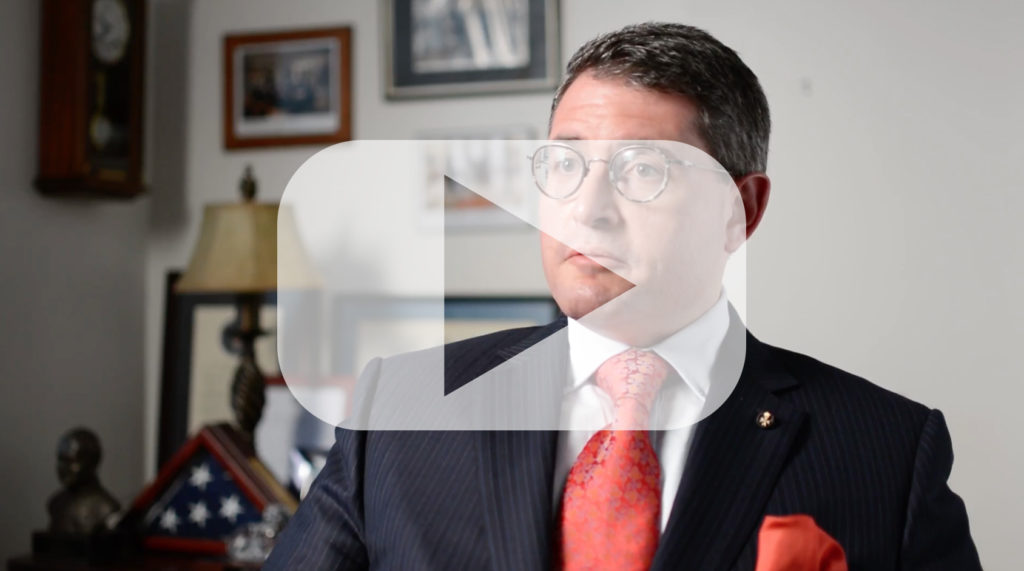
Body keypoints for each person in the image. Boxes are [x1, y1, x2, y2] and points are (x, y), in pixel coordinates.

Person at [265, 22, 980, 570]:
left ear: (742, 209)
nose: (587, 210)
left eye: (642, 171)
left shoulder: (888, 450)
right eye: (565, 165)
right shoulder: (400, 413)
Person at [47, 428, 121, 535]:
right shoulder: (56, 503)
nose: (63, 467)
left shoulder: (107, 509)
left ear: (91, 462)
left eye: (71, 461)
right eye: (61, 459)